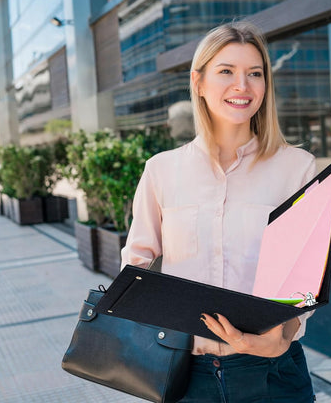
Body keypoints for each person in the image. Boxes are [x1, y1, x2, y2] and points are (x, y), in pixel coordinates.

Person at [121, 21, 316, 403]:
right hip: (184, 374)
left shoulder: (299, 169)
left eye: (254, 74)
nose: (242, 85)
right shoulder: (161, 169)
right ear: (198, 81)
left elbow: (307, 277)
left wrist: (283, 335)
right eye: (226, 71)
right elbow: (135, 267)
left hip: (273, 371)